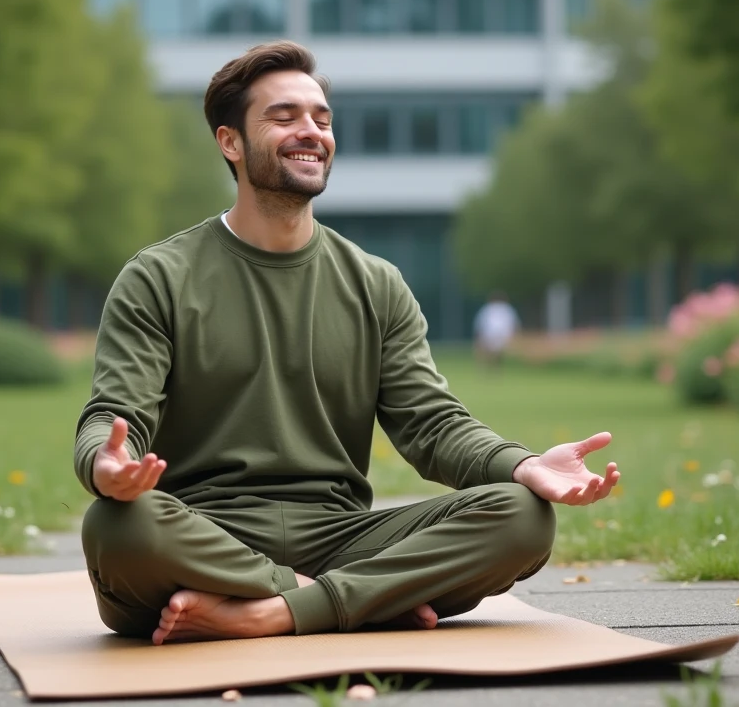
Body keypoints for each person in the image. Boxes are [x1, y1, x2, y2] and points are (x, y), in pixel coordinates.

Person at [74, 40, 620, 646]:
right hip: (202, 534)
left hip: (339, 536)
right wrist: (106, 463)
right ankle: (345, 601)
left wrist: (522, 465)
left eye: (322, 119)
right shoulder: (157, 277)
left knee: (521, 517)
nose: (311, 131)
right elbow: (114, 416)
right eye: (284, 117)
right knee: (116, 526)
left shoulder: (375, 283)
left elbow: (432, 425)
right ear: (230, 142)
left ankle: (269, 611)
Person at [474, 291, 520, 367]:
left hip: (494, 334)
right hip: (498, 334)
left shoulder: (489, 309)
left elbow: (480, 323)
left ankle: (491, 366)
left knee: (493, 352)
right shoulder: (505, 309)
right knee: (493, 352)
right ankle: (493, 365)